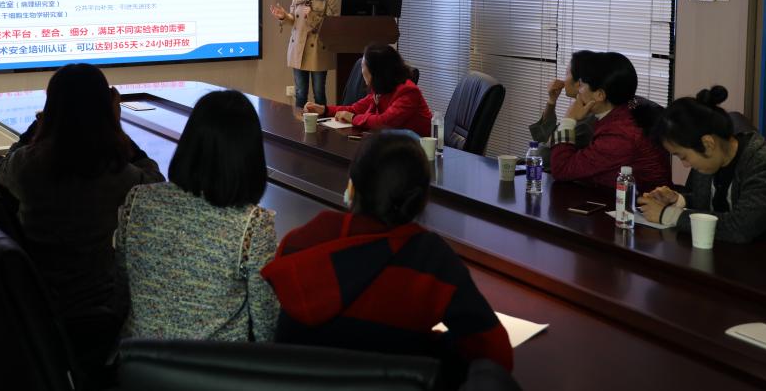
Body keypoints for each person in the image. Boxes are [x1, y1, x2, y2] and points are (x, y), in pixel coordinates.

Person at [262, 130, 513, 389]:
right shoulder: (431, 259)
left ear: (352, 187)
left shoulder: (299, 244)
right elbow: (496, 354)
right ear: (421, 200)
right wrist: (434, 347)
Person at [0, 63, 163, 377]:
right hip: (98, 305)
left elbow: (1, 168)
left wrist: (36, 129)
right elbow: (155, 184)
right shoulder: (117, 173)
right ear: (105, 110)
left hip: (35, 299)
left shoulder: (26, 165)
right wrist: (117, 128)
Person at [115, 90, 278, 341]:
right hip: (215, 364)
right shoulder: (254, 225)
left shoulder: (138, 200)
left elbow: (123, 290)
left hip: (139, 359)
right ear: (250, 156)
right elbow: (266, 327)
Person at [639, 86, 766, 243]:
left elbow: (740, 227)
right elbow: (710, 204)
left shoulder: (765, 166)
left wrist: (667, 215)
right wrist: (678, 200)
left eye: (684, 156)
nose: (685, 165)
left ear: (708, 143)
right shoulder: (711, 160)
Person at [550, 51, 671, 190]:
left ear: (599, 95)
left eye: (582, 85)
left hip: (638, 202)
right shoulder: (628, 105)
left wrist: (568, 119)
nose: (579, 91)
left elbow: (561, 169)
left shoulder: (619, 134)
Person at [305, 44, 431, 137]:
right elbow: (355, 109)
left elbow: (385, 122)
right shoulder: (382, 88)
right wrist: (324, 109)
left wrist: (352, 118)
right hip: (393, 144)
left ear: (377, 71)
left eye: (364, 66)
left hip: (416, 150)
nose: (362, 71)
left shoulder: (408, 91)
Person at [269, 0, 340, 109]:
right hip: (299, 48)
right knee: (300, 93)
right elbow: (294, 20)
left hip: (318, 51)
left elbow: (332, 27)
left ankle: (321, 123)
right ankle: (299, 122)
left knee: (319, 93)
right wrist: (283, 16)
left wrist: (313, 16)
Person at [528, 50, 597, 168]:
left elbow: (542, 156)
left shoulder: (585, 123)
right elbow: (543, 137)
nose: (563, 80)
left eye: (566, 73)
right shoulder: (580, 109)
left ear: (579, 83)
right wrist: (552, 101)